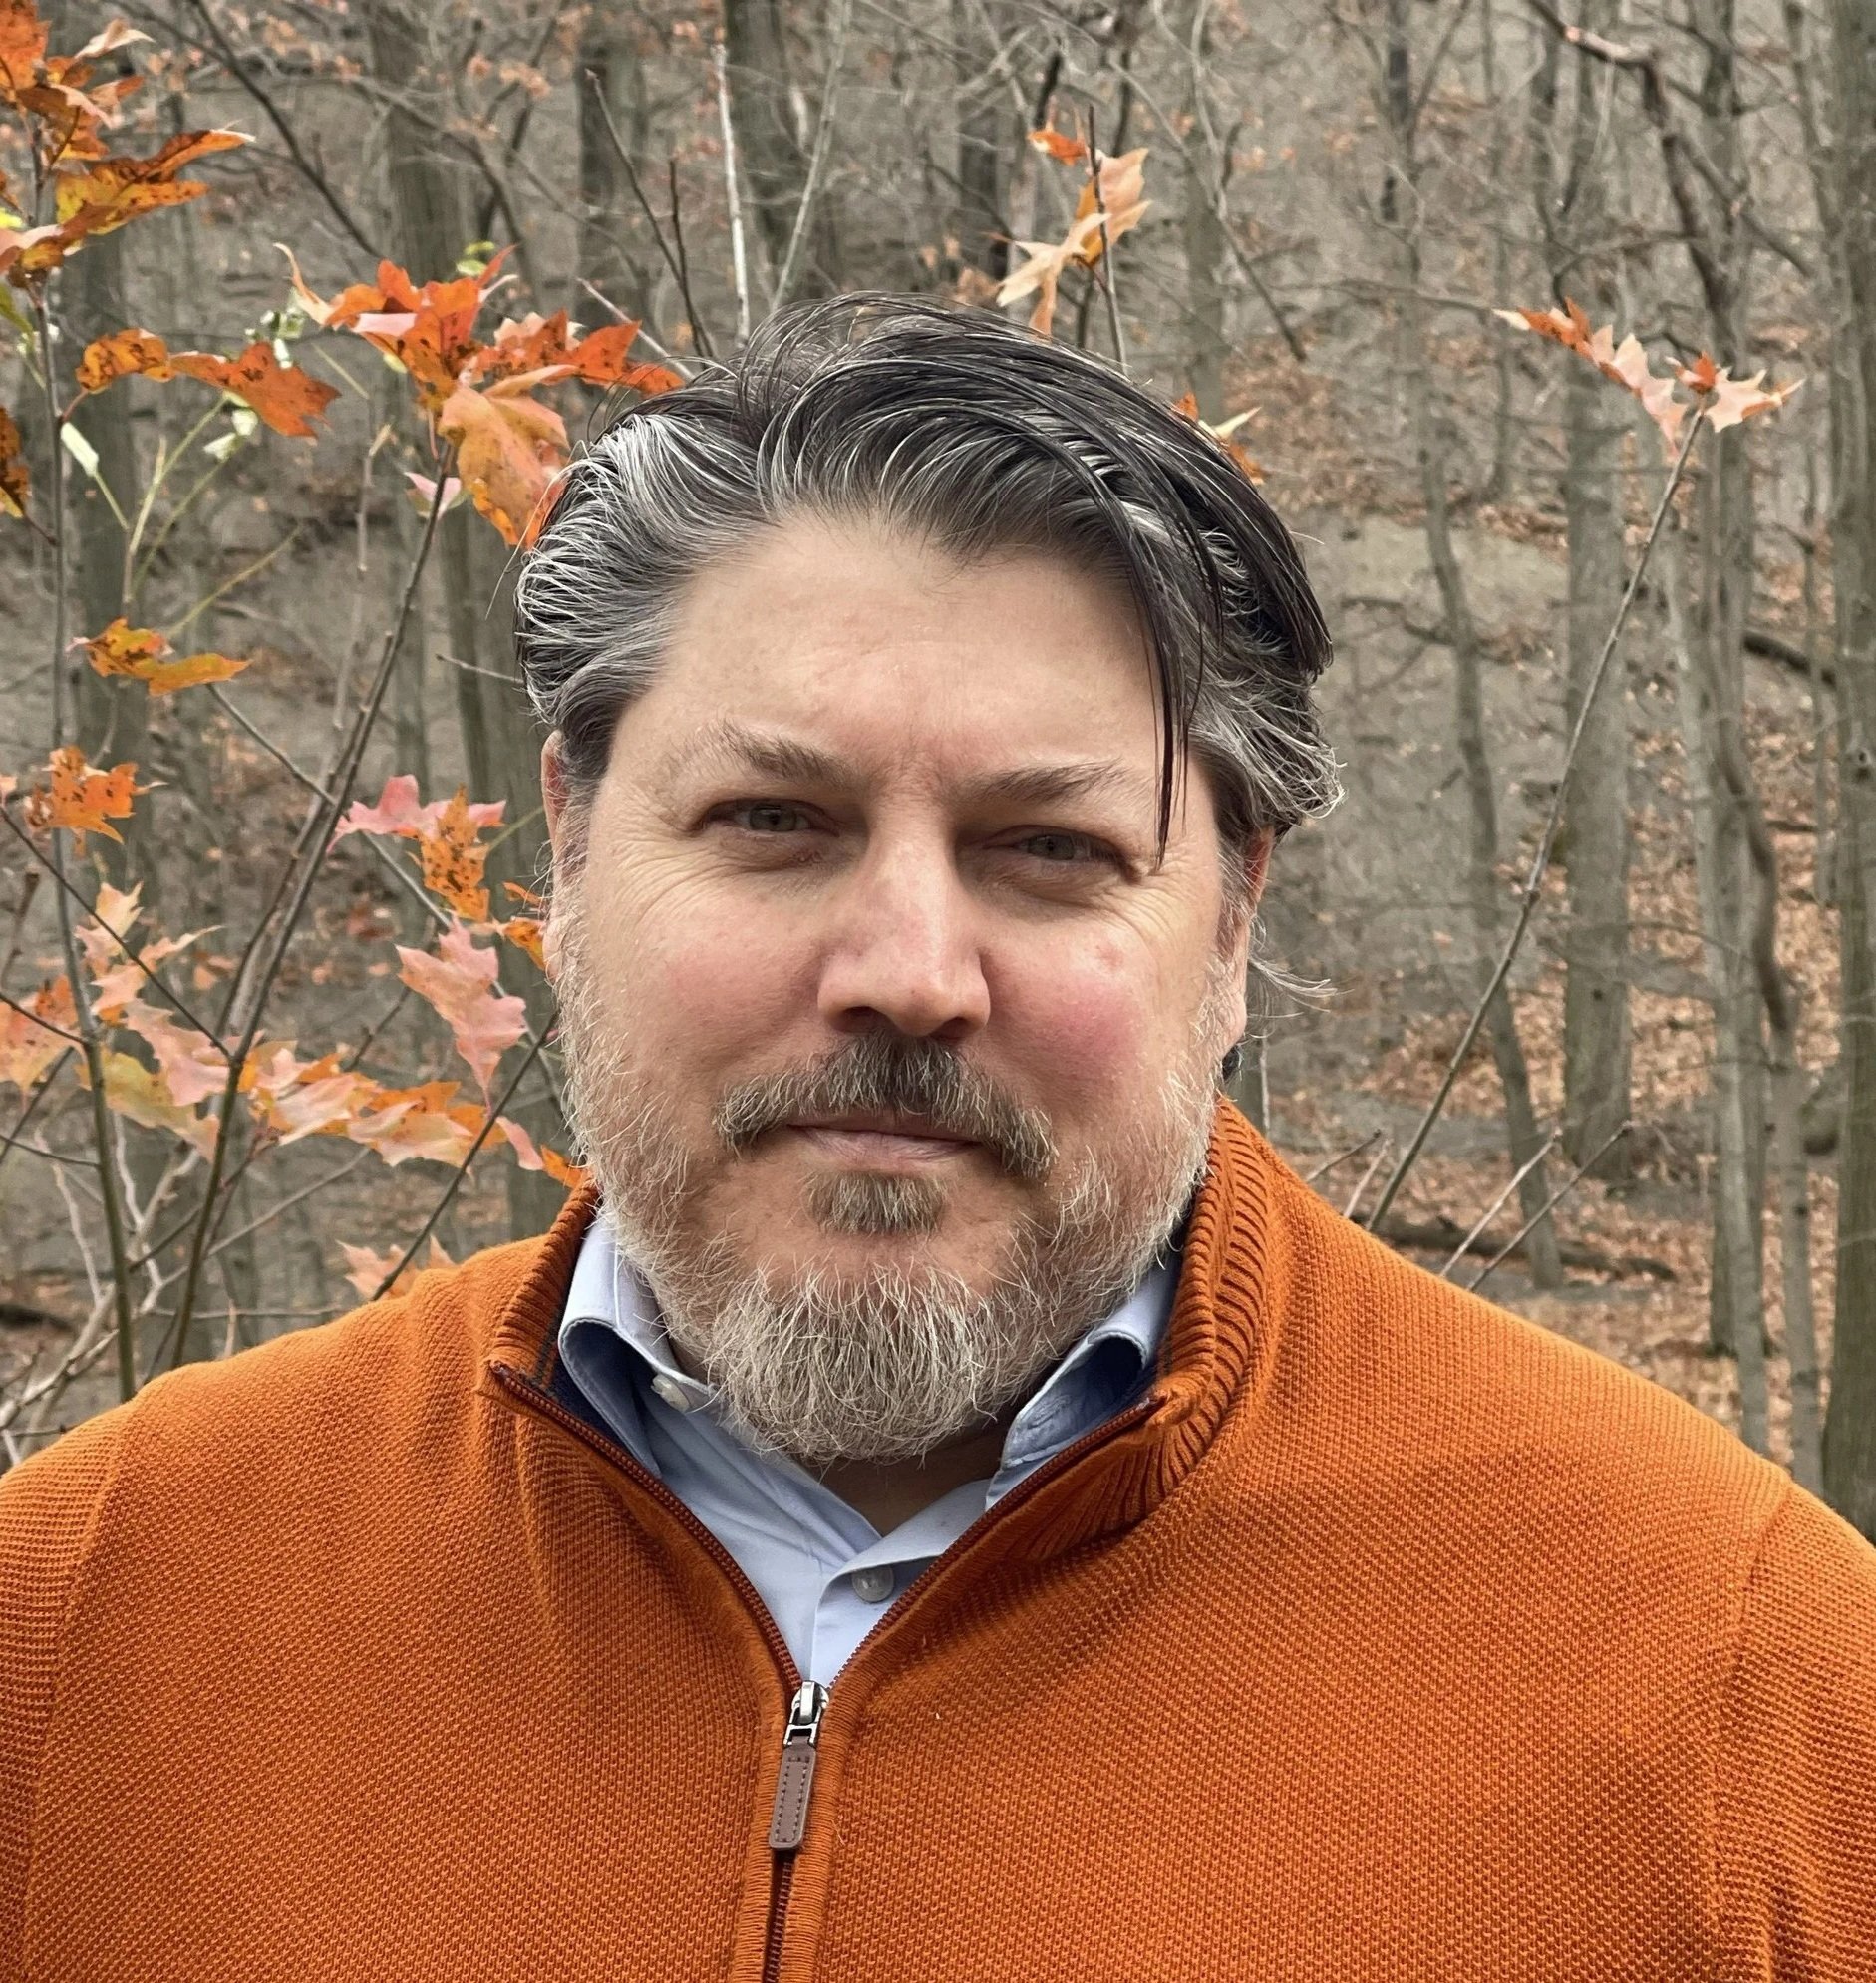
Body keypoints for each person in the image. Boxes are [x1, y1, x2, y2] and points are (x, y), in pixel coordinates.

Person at [1, 295, 1871, 1983]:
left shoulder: (1742, 1686)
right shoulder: (83, 1621)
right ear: (567, 843)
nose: (907, 972)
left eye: (1047, 847)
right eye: (771, 818)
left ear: (1232, 919)